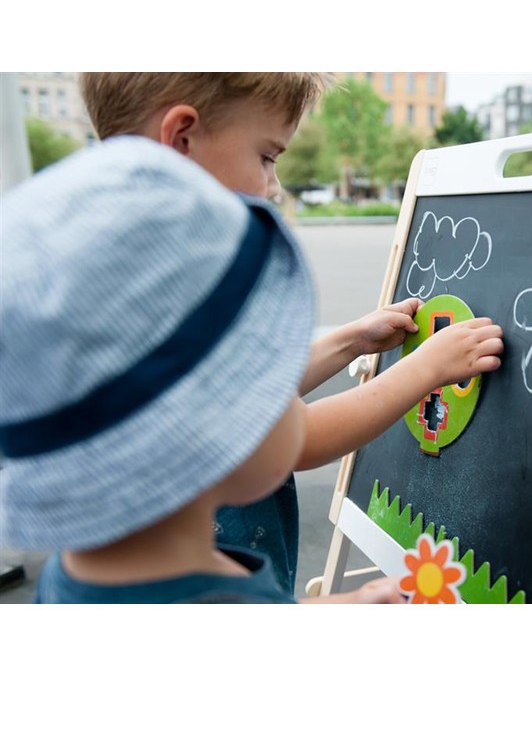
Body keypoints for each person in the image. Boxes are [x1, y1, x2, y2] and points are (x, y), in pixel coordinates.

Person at [0, 138, 503, 604]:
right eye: (271, 382)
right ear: (213, 432)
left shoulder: (76, 576)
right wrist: (423, 369)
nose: (289, 397)